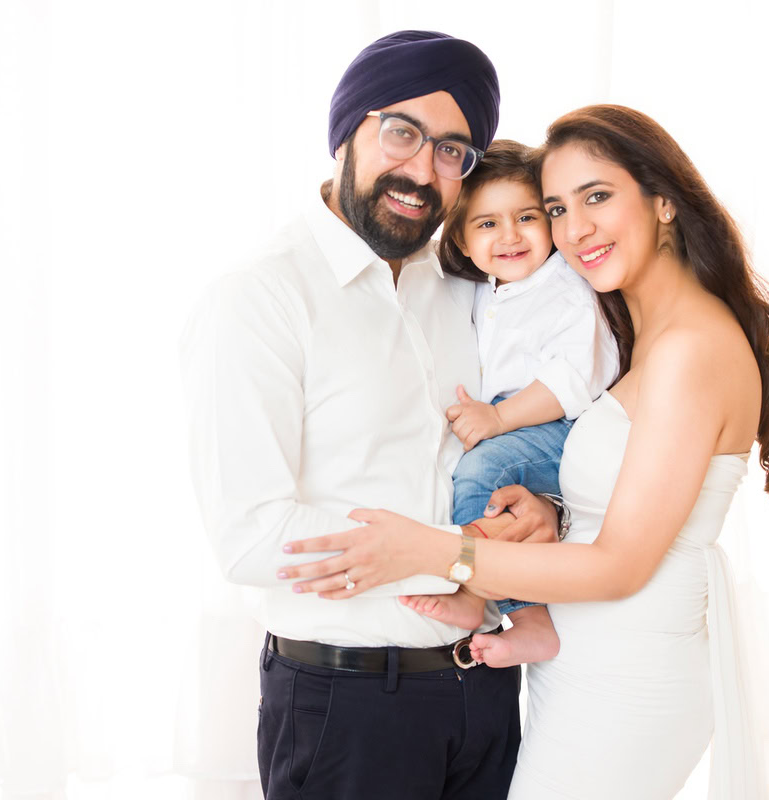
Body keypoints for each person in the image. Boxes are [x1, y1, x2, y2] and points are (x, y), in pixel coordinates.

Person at [278, 104, 769, 799]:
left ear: (663, 201)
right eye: (560, 208)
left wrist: (432, 552)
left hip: (629, 678)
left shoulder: (690, 348)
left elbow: (622, 564)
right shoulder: (642, 334)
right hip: (586, 668)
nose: (576, 230)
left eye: (598, 197)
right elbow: (631, 511)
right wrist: (550, 510)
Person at [179, 30, 559, 800]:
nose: (422, 171)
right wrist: (449, 555)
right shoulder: (259, 301)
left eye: (453, 151)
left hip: (486, 694)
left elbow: (509, 441)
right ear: (347, 129)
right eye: (402, 132)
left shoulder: (465, 288)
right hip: (347, 709)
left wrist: (540, 516)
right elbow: (250, 537)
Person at [398, 139, 620, 669]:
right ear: (462, 238)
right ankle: (494, 592)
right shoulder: (484, 289)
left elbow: (571, 380)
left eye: (527, 217)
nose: (511, 235)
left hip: (559, 423)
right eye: (487, 224)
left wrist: (497, 417)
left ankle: (516, 612)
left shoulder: (565, 286)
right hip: (521, 421)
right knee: (481, 482)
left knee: (480, 471)